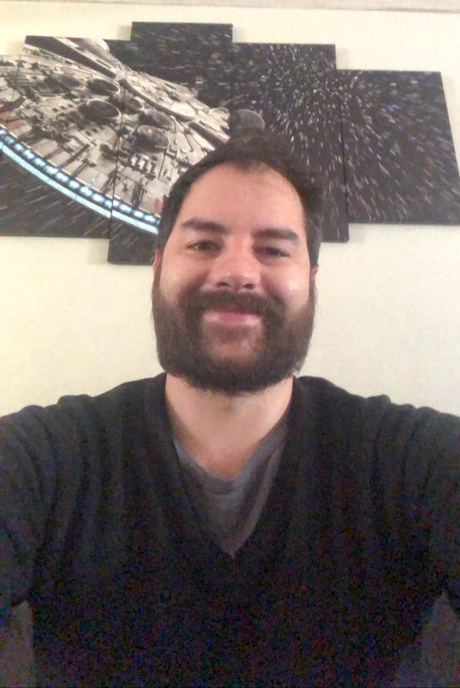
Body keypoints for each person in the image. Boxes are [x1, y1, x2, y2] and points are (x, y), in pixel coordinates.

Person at [1, 134, 459, 687]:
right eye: (203, 244)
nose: (237, 270)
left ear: (311, 283)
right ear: (157, 268)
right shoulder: (41, 458)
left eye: (273, 249)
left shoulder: (413, 459)